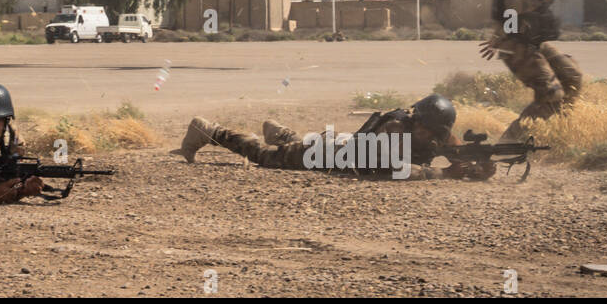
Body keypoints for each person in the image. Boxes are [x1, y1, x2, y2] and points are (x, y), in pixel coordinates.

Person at [170, 94, 494, 181]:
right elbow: (397, 170)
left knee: (299, 143)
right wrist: (443, 173)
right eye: (428, 131)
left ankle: (281, 133)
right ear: (419, 122)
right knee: (264, 158)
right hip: (323, 154)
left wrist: (468, 158)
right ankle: (207, 130)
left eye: (434, 134)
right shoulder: (395, 134)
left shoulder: (417, 126)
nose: (428, 138)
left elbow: (443, 139)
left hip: (337, 143)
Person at [479, 0, 584, 139]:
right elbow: (511, 9)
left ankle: (558, 134)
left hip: (531, 38)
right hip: (512, 41)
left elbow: (535, 8)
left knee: (572, 77)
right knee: (551, 94)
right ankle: (508, 143)